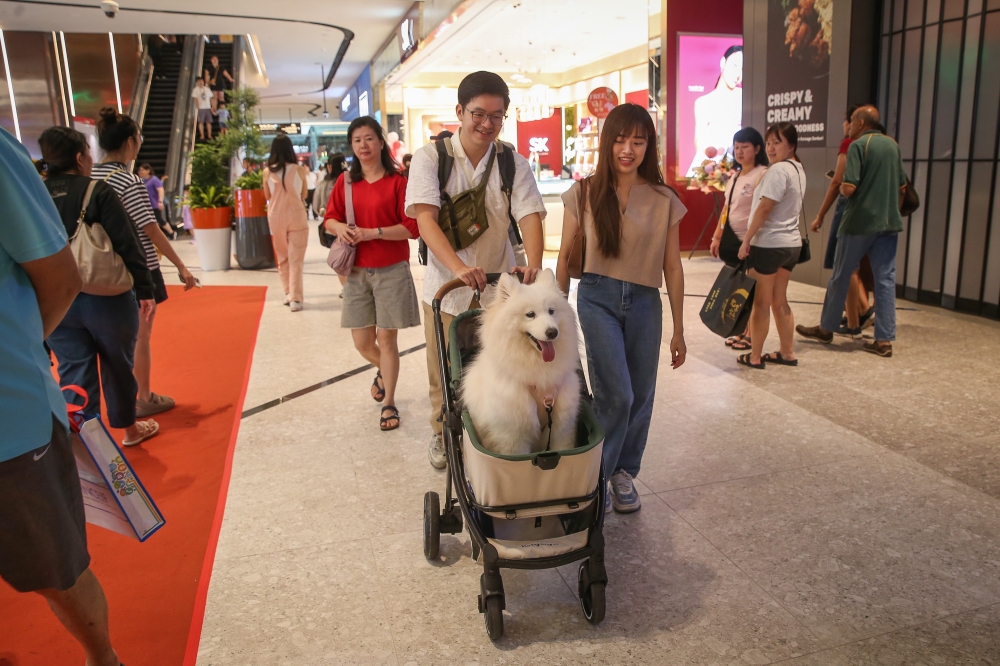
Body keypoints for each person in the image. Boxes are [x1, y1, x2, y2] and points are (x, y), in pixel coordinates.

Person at [1, 127, 124, 666]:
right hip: (98, 310)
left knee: (56, 570)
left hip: (10, 422)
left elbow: (59, 276)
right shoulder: (97, 189)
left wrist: (21, 353)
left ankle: (104, 658)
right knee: (106, 368)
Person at [405, 71, 546, 470]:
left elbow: (531, 213)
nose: (487, 123)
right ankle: (441, 432)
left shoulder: (510, 161)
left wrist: (533, 265)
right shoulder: (432, 158)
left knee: (500, 365)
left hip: (499, 291)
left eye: (496, 116)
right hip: (447, 285)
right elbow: (425, 220)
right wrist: (459, 267)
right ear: (459, 112)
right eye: (478, 114)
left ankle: (495, 430)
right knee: (445, 367)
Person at [555, 103, 687, 514]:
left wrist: (679, 329)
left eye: (638, 141)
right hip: (597, 297)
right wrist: (555, 317)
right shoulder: (584, 191)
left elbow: (673, 265)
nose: (627, 149)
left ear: (650, 146)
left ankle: (622, 473)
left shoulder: (665, 199)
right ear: (606, 142)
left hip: (646, 301)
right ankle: (595, 480)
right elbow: (563, 257)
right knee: (618, 394)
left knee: (642, 393)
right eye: (619, 139)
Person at [40, 126, 160, 448]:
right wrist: (146, 290)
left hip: (56, 301)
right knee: (117, 363)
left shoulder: (35, 195)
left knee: (73, 369)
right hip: (106, 298)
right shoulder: (98, 191)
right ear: (80, 158)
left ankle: (88, 444)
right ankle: (129, 431)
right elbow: (127, 243)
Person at [92, 109, 197, 419]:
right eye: (139, 138)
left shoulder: (89, 177)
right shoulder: (128, 181)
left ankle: (111, 404)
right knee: (139, 337)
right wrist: (182, 265)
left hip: (96, 268)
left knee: (109, 339)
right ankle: (144, 397)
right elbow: (150, 229)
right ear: (129, 143)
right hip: (135, 269)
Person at [324, 117, 421, 431]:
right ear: (352, 146)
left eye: (368, 138)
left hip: (392, 269)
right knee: (363, 342)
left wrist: (372, 233)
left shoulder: (398, 182)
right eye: (357, 140)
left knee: (386, 339)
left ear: (381, 142)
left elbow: (411, 228)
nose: (363, 145)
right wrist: (342, 229)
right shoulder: (346, 183)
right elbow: (329, 220)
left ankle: (389, 401)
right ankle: (385, 370)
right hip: (356, 272)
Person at [796, 105, 906, 357]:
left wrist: (843, 186)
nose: (849, 126)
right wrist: (893, 211)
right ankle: (884, 340)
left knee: (841, 274)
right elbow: (902, 188)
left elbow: (849, 187)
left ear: (860, 123)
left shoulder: (857, 146)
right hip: (889, 224)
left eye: (852, 121)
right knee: (885, 280)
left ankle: (826, 328)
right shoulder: (892, 145)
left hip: (859, 222)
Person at [736, 122, 806, 369]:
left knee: (761, 303)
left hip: (769, 244)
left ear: (791, 145)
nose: (771, 147)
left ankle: (754, 357)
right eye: (769, 142)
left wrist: (747, 240)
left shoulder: (777, 171)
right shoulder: (798, 169)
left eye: (777, 142)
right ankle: (787, 353)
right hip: (791, 245)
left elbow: (765, 208)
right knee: (779, 300)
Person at [811, 104, 874, 335]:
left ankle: (852, 319)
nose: (843, 126)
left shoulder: (850, 144)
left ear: (857, 122)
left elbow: (838, 182)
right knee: (855, 266)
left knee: (843, 267)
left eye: (846, 121)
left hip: (847, 210)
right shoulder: (880, 145)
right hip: (871, 216)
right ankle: (857, 316)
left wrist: (820, 215)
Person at [709, 126, 769, 350]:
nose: (740, 151)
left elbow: (765, 208)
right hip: (734, 239)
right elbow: (727, 208)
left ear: (757, 149)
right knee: (740, 287)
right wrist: (717, 235)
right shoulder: (735, 176)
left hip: (753, 240)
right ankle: (742, 329)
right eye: (737, 147)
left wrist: (751, 238)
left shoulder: (762, 174)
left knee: (752, 289)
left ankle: (751, 334)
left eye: (745, 147)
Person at [263, 134, 309, 311]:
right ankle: (296, 299)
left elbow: (267, 196)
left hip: (275, 217)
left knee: (282, 257)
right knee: (296, 258)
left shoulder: (267, 172)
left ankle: (288, 292)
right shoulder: (298, 170)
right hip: (296, 216)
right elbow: (304, 195)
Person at [686, 45, 744, 177]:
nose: (738, 75)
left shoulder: (745, 99)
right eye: (735, 66)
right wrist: (709, 151)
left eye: (742, 69)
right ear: (723, 62)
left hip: (738, 166)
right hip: (710, 165)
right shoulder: (703, 102)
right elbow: (698, 138)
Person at [138, 163, 172, 239]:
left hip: (155, 204)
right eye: (140, 170)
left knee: (159, 219)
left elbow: (160, 190)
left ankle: (171, 233)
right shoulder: (143, 180)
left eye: (142, 170)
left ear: (148, 170)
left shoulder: (154, 179)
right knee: (151, 221)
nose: (140, 171)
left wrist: (160, 201)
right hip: (147, 204)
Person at [313, 153, 345, 220]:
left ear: (330, 167)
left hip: (330, 225)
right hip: (352, 226)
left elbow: (316, 207)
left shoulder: (323, 185)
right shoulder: (353, 183)